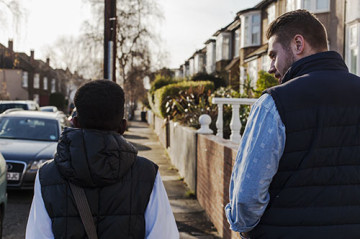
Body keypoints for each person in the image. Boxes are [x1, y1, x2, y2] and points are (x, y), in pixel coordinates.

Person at [225, 9, 360, 239]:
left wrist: (243, 227)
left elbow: (246, 199)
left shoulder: (274, 103)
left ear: (298, 44)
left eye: (273, 55)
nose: (270, 67)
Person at [26, 80, 179, 239]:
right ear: (122, 127)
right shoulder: (147, 173)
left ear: (76, 123)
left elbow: (37, 235)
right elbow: (165, 234)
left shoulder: (47, 175)